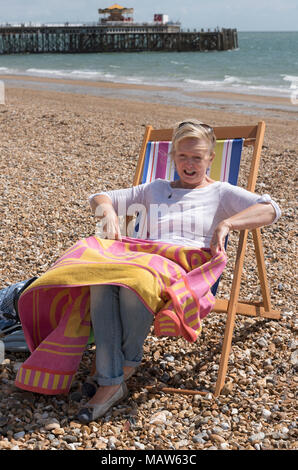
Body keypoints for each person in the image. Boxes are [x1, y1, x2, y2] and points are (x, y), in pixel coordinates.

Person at [76, 119, 281, 423]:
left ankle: (111, 378)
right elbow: (99, 196)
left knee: (134, 284)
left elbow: (272, 208)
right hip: (146, 263)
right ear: (172, 156)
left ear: (210, 158)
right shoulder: (155, 188)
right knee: (101, 280)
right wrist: (106, 210)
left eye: (197, 157)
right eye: (183, 156)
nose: (189, 164)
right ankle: (115, 375)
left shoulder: (221, 193)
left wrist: (227, 224)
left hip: (185, 274)